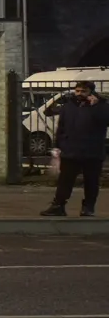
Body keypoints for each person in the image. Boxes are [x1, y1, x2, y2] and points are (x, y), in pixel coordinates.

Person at [41, 80, 105, 217]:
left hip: (92, 151)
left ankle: (88, 207)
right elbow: (61, 127)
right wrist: (58, 146)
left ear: (91, 92)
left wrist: (96, 106)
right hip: (71, 150)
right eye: (77, 91)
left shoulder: (101, 106)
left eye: (83, 91)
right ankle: (58, 205)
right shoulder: (69, 106)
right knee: (65, 180)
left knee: (91, 181)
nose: (79, 94)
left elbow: (105, 120)